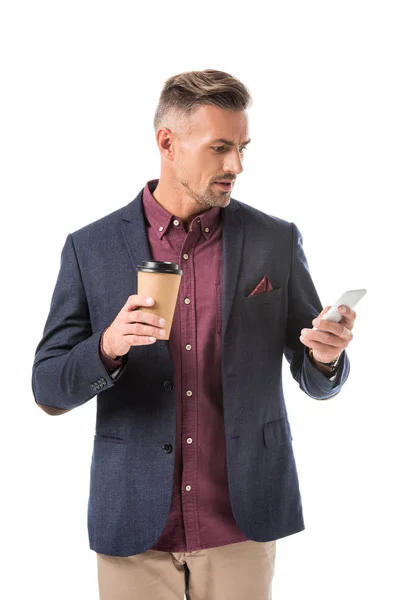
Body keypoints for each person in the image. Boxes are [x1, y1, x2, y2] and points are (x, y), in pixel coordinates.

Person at [32, 69, 356, 600]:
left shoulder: (275, 239)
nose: (237, 166)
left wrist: (325, 359)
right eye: (221, 148)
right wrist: (108, 347)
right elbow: (47, 389)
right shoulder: (89, 248)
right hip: (133, 524)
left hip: (241, 520)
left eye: (243, 148)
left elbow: (315, 377)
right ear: (167, 143)